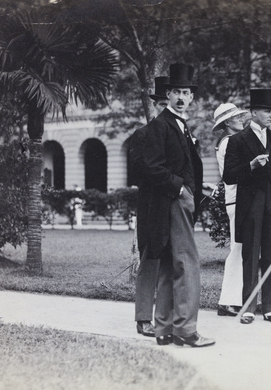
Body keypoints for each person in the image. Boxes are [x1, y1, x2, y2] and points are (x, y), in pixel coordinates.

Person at [138, 63, 215, 347]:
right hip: (173, 203)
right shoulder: (161, 126)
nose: (182, 97)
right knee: (187, 263)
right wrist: (181, 189)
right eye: (176, 92)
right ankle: (186, 330)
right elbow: (151, 168)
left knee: (171, 266)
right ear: (167, 95)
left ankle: (165, 330)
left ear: (192, 97)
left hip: (176, 201)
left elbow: (180, 165)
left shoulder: (179, 126)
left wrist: (195, 187)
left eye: (186, 92)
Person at [223, 88, 271, 325]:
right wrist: (251, 166)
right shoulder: (237, 140)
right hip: (251, 205)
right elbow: (229, 176)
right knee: (251, 255)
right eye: (266, 111)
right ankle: (249, 306)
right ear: (253, 113)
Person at [128, 76, 169, 338]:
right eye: (162, 103)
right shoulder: (142, 136)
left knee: (173, 262)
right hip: (152, 205)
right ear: (154, 106)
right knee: (150, 258)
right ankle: (144, 318)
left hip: (175, 206)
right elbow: (137, 175)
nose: (167, 108)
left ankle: (167, 318)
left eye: (171, 103)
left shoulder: (183, 136)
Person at [212, 103, 248, 317]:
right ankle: (227, 301)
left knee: (241, 250)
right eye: (237, 117)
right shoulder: (228, 143)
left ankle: (236, 299)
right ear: (227, 122)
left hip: (239, 199)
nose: (241, 119)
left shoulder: (231, 141)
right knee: (237, 249)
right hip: (237, 199)